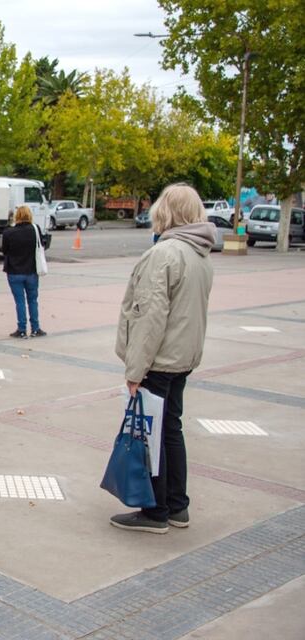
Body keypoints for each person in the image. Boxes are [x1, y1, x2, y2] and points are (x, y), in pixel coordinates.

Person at [112, 183, 215, 534]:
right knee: (171, 428)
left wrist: (135, 369)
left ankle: (154, 510)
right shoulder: (200, 253)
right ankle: (176, 505)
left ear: (165, 212)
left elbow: (149, 317)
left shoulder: (166, 253)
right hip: (183, 357)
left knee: (151, 434)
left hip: (160, 359)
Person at [1, 205, 47, 338]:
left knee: (20, 301)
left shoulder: (8, 232)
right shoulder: (35, 229)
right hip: (32, 271)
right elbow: (42, 244)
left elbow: (5, 251)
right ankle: (35, 328)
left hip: (14, 271)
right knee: (33, 300)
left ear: (17, 216)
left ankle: (21, 329)